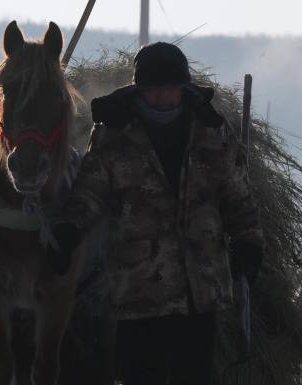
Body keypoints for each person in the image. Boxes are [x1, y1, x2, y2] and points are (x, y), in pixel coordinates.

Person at [48, 42, 265, 385]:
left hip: (200, 290)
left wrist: (249, 243)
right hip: (138, 290)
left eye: (171, 90)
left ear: (184, 88)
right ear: (139, 90)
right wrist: (69, 232)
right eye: (154, 91)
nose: (163, 98)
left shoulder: (212, 132)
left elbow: (237, 194)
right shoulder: (113, 135)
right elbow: (91, 191)